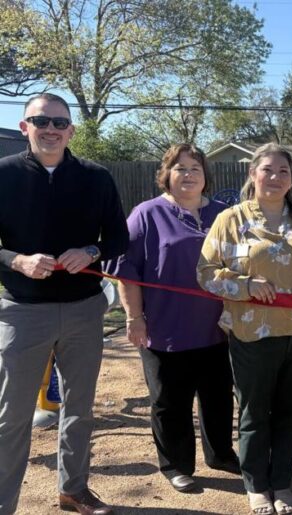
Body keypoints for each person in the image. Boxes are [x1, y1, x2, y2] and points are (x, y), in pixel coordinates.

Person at [197, 143, 292, 515]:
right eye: (268, 169)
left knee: (288, 412)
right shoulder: (231, 220)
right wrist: (244, 286)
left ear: (291, 178)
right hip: (252, 334)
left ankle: (281, 481)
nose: (275, 177)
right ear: (253, 173)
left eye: (283, 171)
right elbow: (205, 274)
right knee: (253, 411)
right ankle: (256, 484)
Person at [0, 93, 129, 515]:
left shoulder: (96, 177)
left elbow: (118, 238)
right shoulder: (3, 174)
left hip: (83, 309)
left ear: (71, 130)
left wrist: (91, 252)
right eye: (41, 121)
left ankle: (73, 490)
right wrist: (16, 259)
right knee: (13, 417)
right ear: (25, 127)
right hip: (22, 310)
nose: (51, 129)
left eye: (59, 122)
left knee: (79, 408)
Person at [109, 144, 239, 493]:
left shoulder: (224, 215)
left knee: (218, 397)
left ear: (205, 175)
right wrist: (134, 317)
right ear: (166, 175)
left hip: (218, 328)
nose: (188, 174)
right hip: (165, 329)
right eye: (180, 168)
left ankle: (221, 454)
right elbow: (128, 271)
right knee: (170, 401)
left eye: (195, 167)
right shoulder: (146, 214)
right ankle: (176, 465)